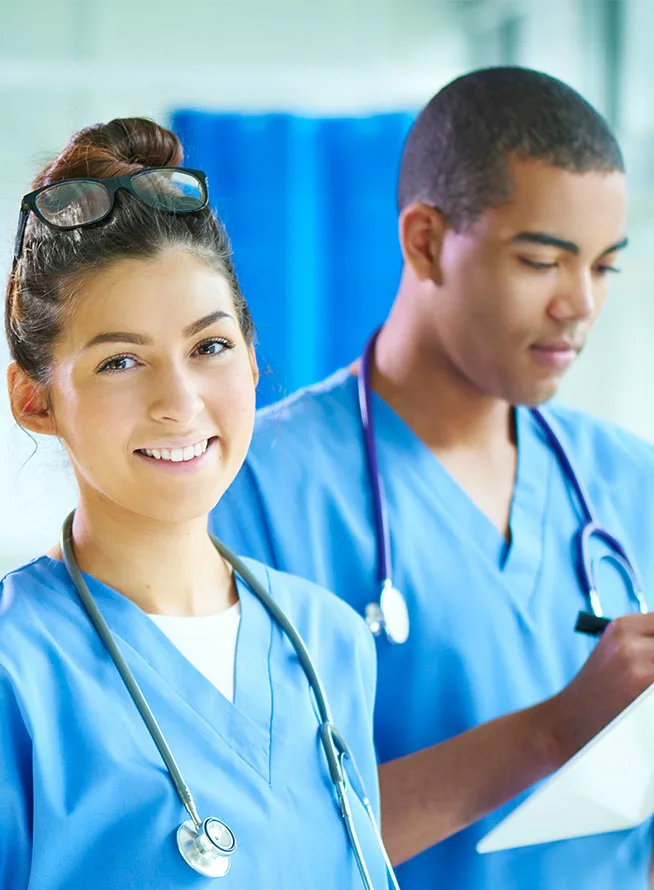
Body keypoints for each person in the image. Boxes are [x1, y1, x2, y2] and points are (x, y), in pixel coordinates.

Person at [210, 67, 654, 889]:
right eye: (542, 261)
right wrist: (555, 731)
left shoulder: (626, 479)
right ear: (423, 242)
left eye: (604, 267)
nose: (580, 304)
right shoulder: (257, 491)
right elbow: (248, 836)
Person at [1, 118, 396, 889]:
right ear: (36, 399)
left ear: (251, 359)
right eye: (120, 361)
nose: (178, 402)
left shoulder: (330, 643)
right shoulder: (18, 676)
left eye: (209, 347)